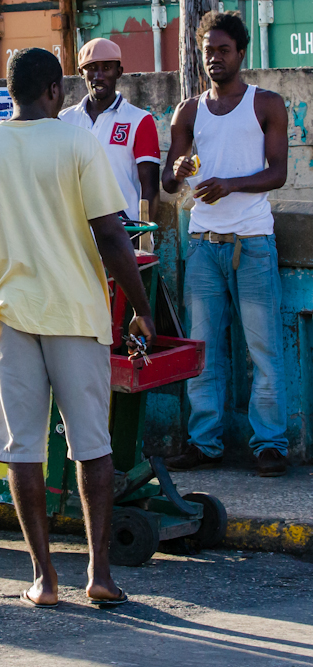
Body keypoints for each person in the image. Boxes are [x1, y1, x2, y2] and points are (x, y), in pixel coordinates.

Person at [0, 48, 156, 608]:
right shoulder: (76, 141)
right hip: (76, 314)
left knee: (23, 450)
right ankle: (100, 574)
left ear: (10, 93)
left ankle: (44, 578)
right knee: (93, 447)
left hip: (9, 316)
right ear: (56, 92)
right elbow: (112, 236)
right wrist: (141, 307)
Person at [161, 12, 289, 477]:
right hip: (202, 246)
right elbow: (169, 183)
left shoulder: (266, 104)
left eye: (223, 50)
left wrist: (231, 184)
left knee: (263, 350)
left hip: (252, 244)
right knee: (203, 349)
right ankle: (204, 442)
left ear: (241, 53)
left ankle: (270, 444)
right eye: (207, 51)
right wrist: (175, 172)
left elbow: (278, 172)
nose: (214, 58)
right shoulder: (188, 111)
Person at [59, 38, 161, 222]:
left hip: (125, 231)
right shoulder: (63, 120)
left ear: (119, 72)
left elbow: (151, 188)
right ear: (81, 72)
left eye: (106, 68)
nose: (98, 76)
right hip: (75, 232)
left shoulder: (139, 120)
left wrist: (143, 237)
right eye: (91, 68)